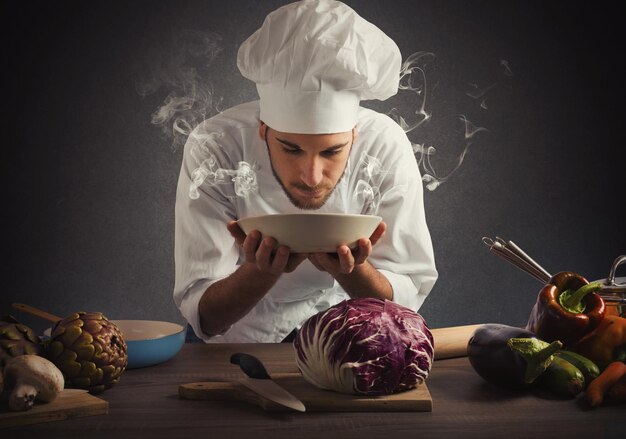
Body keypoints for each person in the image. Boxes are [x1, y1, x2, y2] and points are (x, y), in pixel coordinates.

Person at [173, 0, 437, 343]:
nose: (311, 176)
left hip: (347, 336)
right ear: (263, 129)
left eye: (332, 151)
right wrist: (259, 272)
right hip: (236, 342)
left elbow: (403, 309)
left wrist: (355, 270)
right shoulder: (214, 146)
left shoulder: (385, 144)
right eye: (291, 148)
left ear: (354, 135)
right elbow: (205, 314)